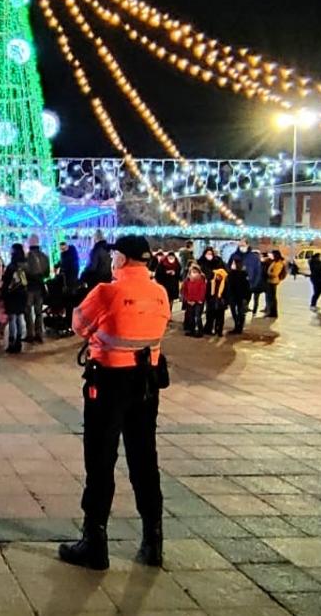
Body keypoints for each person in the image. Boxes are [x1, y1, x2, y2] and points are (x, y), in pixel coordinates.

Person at [59, 235, 169, 571]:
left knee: (101, 459)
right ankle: (153, 539)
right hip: (147, 384)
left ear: (120, 259)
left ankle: (95, 541)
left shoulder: (107, 292)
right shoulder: (160, 292)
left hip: (108, 383)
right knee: (144, 458)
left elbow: (78, 324)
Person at [1, 244, 29, 353]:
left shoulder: (11, 266)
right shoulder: (25, 265)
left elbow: (6, 281)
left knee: (12, 318)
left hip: (12, 294)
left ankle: (11, 341)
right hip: (22, 294)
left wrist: (3, 293)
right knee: (19, 318)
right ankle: (19, 341)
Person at [24, 235, 51, 344]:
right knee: (39, 312)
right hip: (40, 287)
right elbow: (47, 273)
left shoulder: (26, 257)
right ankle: (39, 333)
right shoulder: (45, 257)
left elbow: (23, 273)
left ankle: (30, 334)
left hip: (29, 287)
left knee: (27, 311)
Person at [180, 263, 206, 337]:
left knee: (197, 317)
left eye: (196, 272)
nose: (194, 273)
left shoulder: (201, 280)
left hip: (198, 302)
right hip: (189, 301)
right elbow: (183, 291)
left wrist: (197, 300)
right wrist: (187, 300)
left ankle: (200, 331)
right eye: (192, 272)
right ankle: (191, 330)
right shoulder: (187, 280)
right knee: (190, 316)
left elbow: (202, 291)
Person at [226, 258, 251, 334]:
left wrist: (246, 298)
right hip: (232, 296)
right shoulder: (230, 274)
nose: (233, 265)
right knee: (234, 311)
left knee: (241, 312)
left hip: (241, 296)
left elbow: (247, 287)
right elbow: (228, 286)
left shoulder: (244, 274)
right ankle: (237, 326)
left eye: (234, 263)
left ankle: (239, 327)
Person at [205, 263, 228, 337]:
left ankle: (219, 331)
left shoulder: (225, 284)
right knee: (210, 317)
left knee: (220, 319)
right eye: (217, 275)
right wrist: (208, 300)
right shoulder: (211, 282)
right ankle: (209, 329)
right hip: (212, 302)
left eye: (219, 276)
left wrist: (225, 303)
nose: (218, 277)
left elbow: (227, 294)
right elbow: (207, 292)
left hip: (220, 303)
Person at [265, 250, 286, 318]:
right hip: (270, 281)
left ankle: (273, 312)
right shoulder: (274, 261)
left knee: (272, 298)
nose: (272, 256)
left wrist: (268, 274)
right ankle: (271, 312)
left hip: (273, 281)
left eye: (273, 254)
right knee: (271, 297)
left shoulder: (279, 263)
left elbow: (274, 274)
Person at [245, 249, 265, 315]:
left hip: (255, 283)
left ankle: (253, 310)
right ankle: (252, 310)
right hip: (252, 283)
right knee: (251, 297)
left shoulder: (260, 263)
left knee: (251, 297)